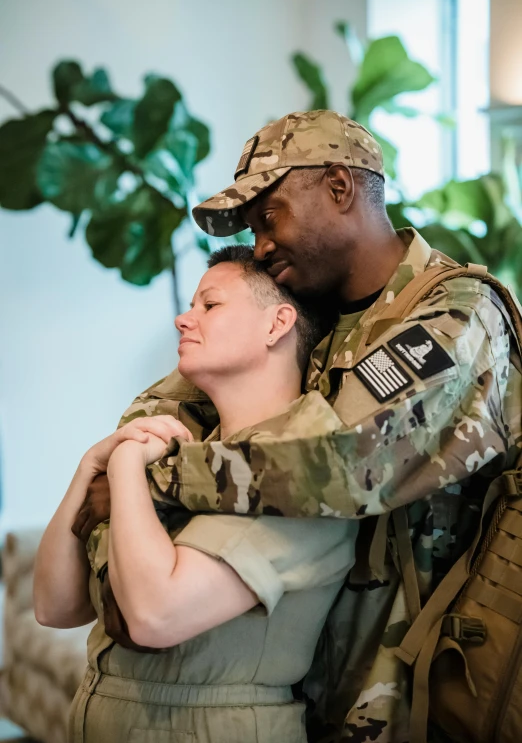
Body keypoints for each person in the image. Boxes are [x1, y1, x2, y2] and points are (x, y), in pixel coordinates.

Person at [73, 109, 522, 743]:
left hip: (414, 690)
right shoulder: (302, 311)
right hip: (294, 693)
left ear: (339, 187)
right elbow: (156, 411)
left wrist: (155, 480)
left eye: (270, 218)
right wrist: (124, 496)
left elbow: (344, 459)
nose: (258, 246)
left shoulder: (457, 312)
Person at [34, 245, 359, 743]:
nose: (184, 320)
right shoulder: (191, 461)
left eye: (211, 305)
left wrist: (123, 465)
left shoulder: (301, 471)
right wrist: (88, 467)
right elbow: (56, 607)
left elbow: (153, 615)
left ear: (277, 324)